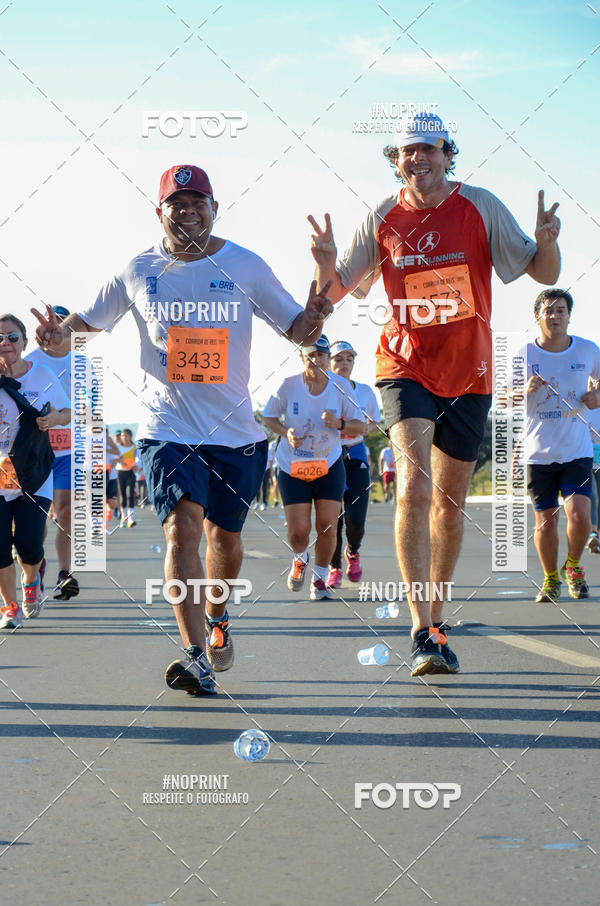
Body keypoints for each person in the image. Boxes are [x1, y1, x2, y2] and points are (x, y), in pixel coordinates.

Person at [33, 163, 332, 695]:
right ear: (160, 212)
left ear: (215, 209)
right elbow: (81, 328)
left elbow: (297, 329)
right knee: (182, 531)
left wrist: (317, 313)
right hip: (165, 429)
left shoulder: (246, 265)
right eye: (178, 203)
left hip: (236, 434)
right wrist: (58, 340)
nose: (188, 211)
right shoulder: (138, 268)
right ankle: (194, 654)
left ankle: (217, 615)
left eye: (199, 202)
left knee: (225, 541)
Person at [308, 111, 561, 676]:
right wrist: (325, 267)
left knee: (449, 507)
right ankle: (422, 628)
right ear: (395, 162)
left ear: (448, 155)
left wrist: (547, 243)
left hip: (470, 375)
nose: (417, 158)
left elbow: (542, 273)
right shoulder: (382, 215)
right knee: (414, 491)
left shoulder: (481, 206)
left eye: (428, 149)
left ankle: (438, 618)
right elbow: (334, 292)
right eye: (406, 151)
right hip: (405, 367)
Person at [263, 335, 364, 600]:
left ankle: (319, 579)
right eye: (311, 355)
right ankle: (300, 557)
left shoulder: (341, 386)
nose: (316, 360)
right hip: (293, 464)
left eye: (321, 355)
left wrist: (339, 425)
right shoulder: (288, 386)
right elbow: (269, 417)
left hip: (328, 463)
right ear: (302, 358)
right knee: (299, 531)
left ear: (327, 359)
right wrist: (286, 433)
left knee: (327, 525)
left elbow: (360, 426)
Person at [526, 289, 600, 601]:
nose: (555, 316)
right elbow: (501, 399)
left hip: (576, 450)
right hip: (539, 453)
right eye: (549, 311)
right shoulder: (523, 354)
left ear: (569, 316)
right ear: (537, 316)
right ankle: (550, 577)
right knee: (545, 522)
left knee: (581, 514)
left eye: (561, 310)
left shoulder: (587, 350)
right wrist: (523, 390)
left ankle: (573, 567)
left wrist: (597, 397)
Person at [0, 315, 70, 629]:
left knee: (29, 542)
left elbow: (67, 413)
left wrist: (53, 418)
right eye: (0, 338)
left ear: (25, 343)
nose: (6, 343)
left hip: (34, 473)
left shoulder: (41, 376)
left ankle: (31, 582)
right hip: (0, 474)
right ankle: (10, 606)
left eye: (12, 337)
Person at [25, 304, 82, 600]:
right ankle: (35, 562)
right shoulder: (29, 362)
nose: (54, 329)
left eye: (61, 324)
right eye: (51, 324)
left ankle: (65, 573)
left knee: (66, 512)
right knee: (35, 516)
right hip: (36, 450)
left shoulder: (81, 363)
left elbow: (89, 408)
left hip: (69, 450)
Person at [326, 340, 380, 587]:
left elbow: (373, 422)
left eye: (349, 359)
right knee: (332, 518)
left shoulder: (365, 392)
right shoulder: (320, 390)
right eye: (338, 359)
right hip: (328, 457)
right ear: (328, 362)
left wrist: (364, 429)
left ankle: (353, 551)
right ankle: (334, 567)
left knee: (356, 518)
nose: (344, 364)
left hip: (356, 455)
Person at [116, 428, 138, 527]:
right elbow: (115, 458)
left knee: (130, 495)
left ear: (130, 436)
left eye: (126, 435)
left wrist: (137, 465)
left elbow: (138, 459)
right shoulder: (118, 447)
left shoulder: (134, 447)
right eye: (122, 436)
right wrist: (119, 460)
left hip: (131, 473)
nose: (124, 437)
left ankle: (131, 519)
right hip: (120, 473)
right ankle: (123, 519)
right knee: (123, 496)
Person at [587, 406, 600, 554]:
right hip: (586, 460)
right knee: (593, 496)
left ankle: (597, 539)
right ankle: (593, 533)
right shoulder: (584, 406)